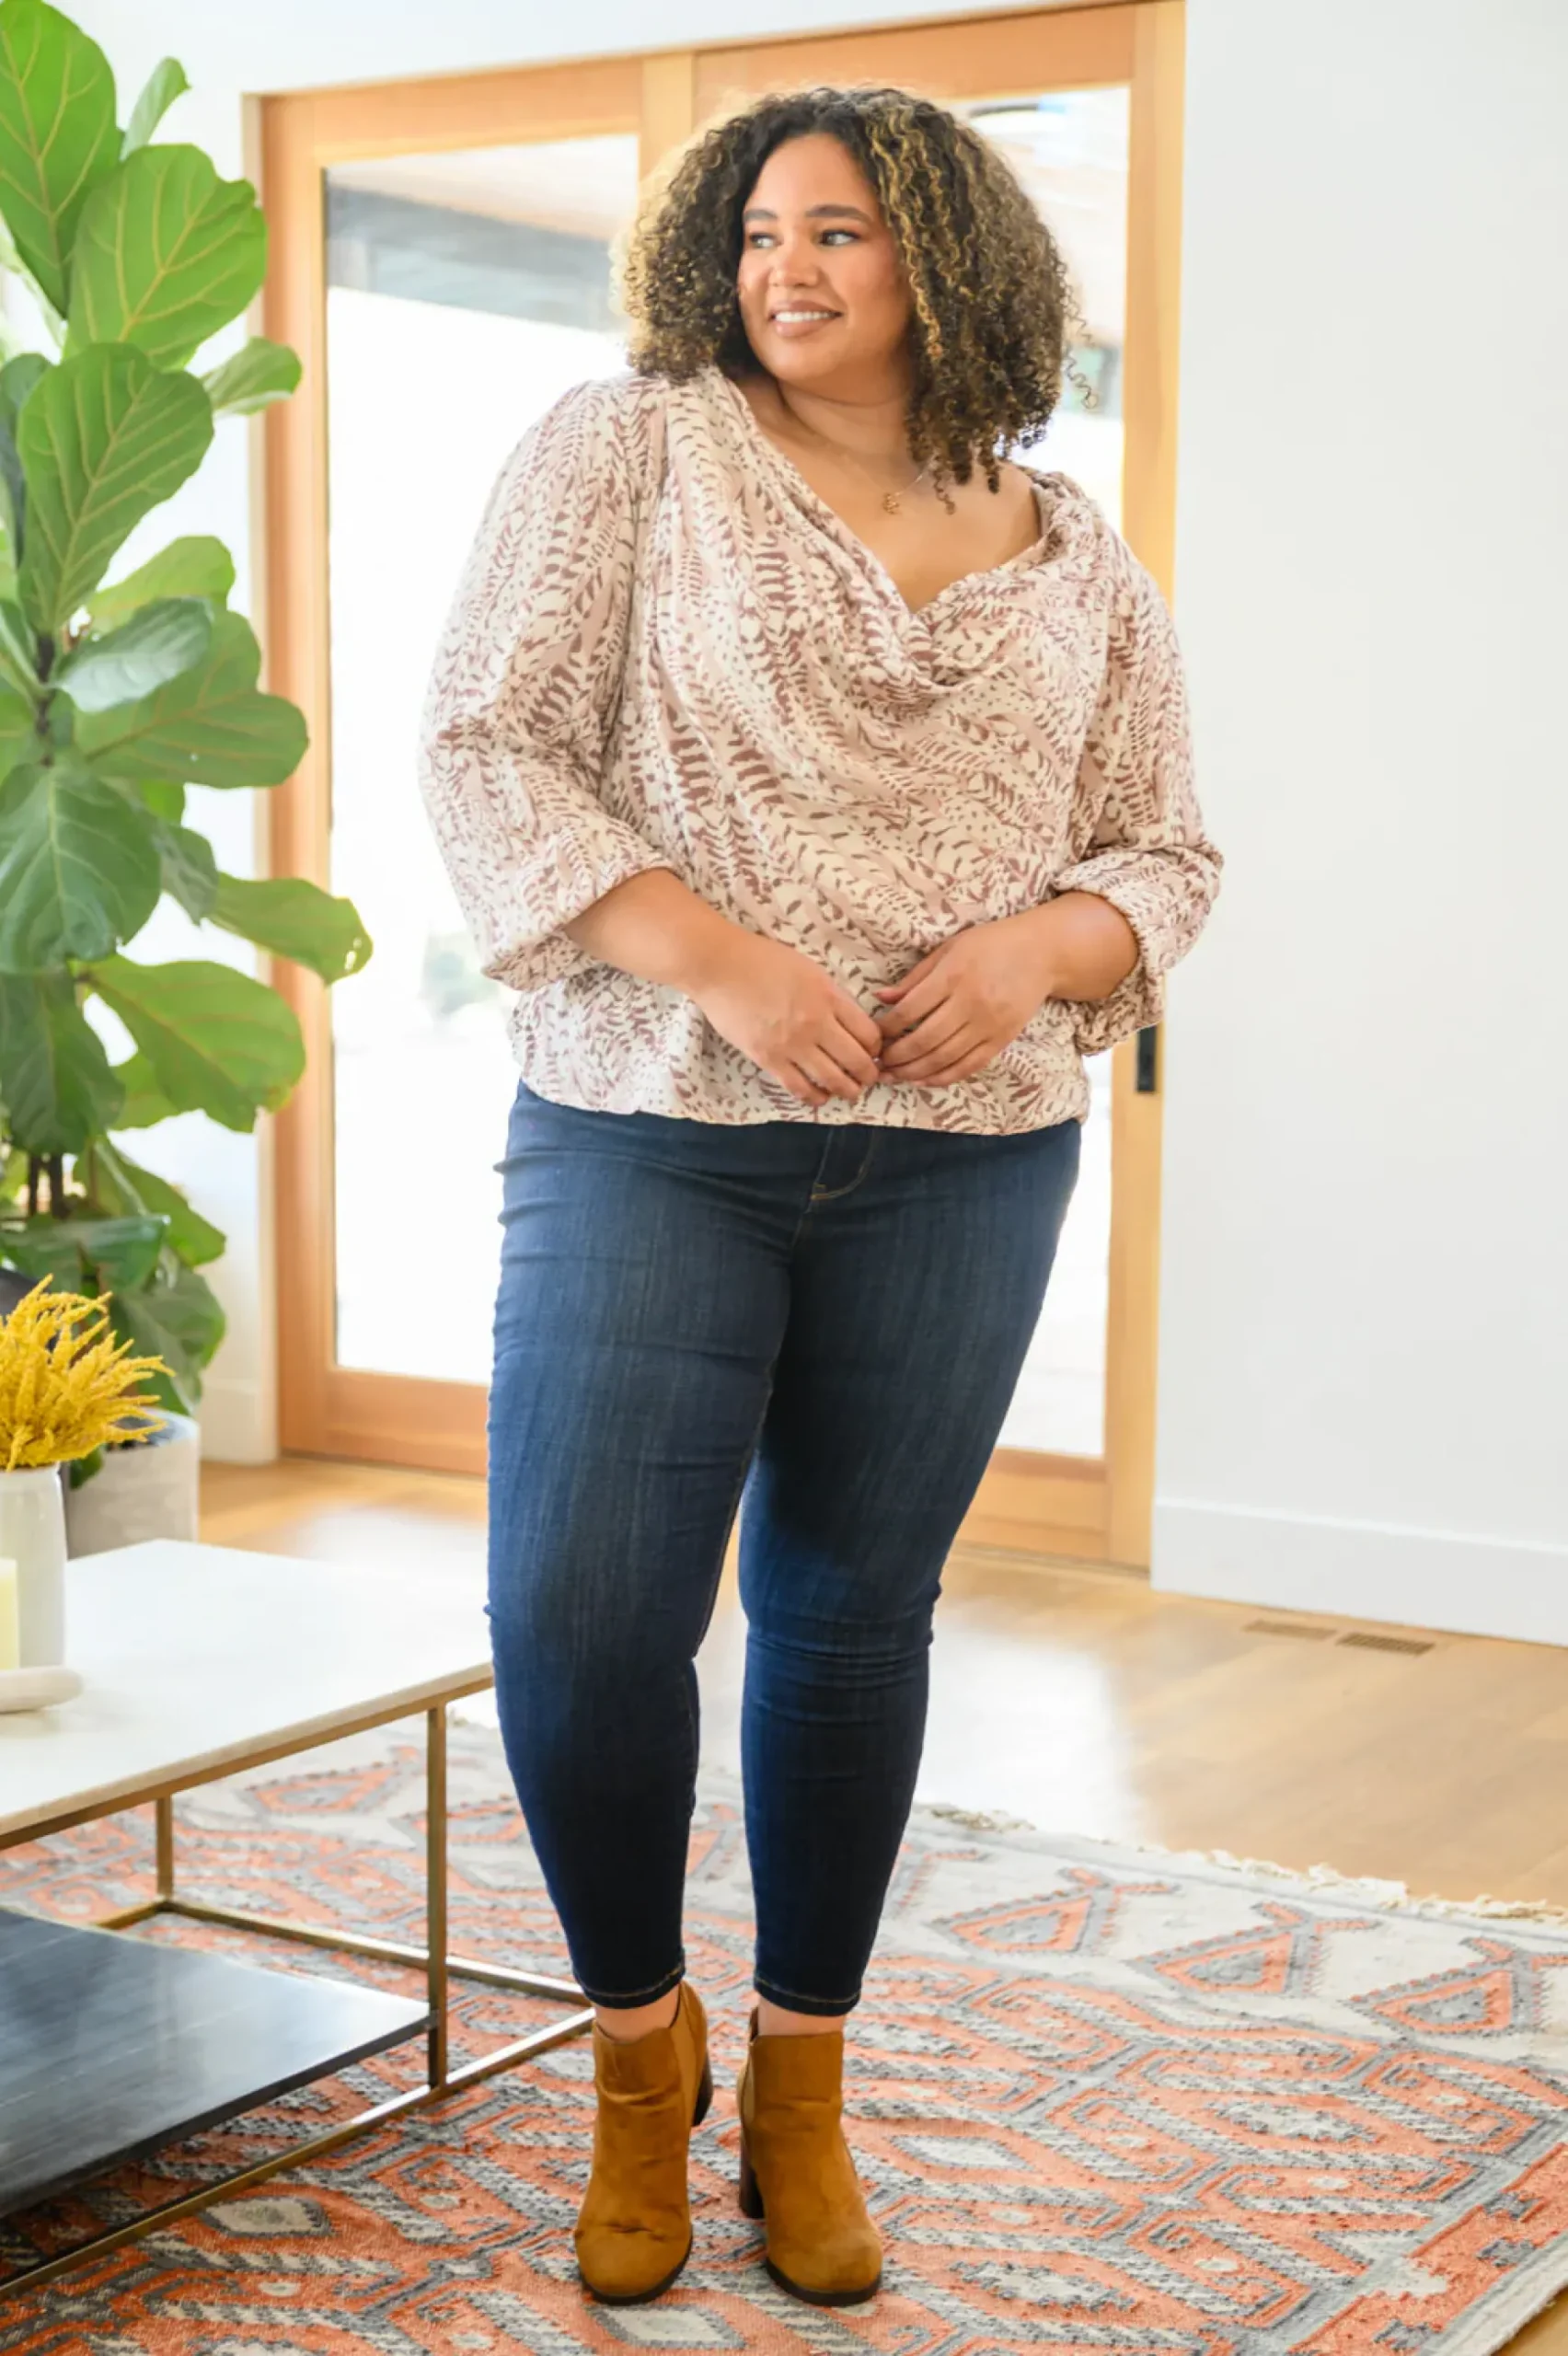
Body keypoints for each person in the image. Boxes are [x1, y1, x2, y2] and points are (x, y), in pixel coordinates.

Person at [419, 81, 1221, 2311]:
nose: (786, 266)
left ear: (943, 259)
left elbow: (1166, 848)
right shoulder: (628, 449)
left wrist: (1043, 949)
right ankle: (636, 2047)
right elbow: (487, 742)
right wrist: (727, 962)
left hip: (967, 1158)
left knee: (852, 1617)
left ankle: (802, 2077)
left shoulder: (1079, 555)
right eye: (762, 229)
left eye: (840, 230)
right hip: (650, 1119)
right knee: (581, 1617)